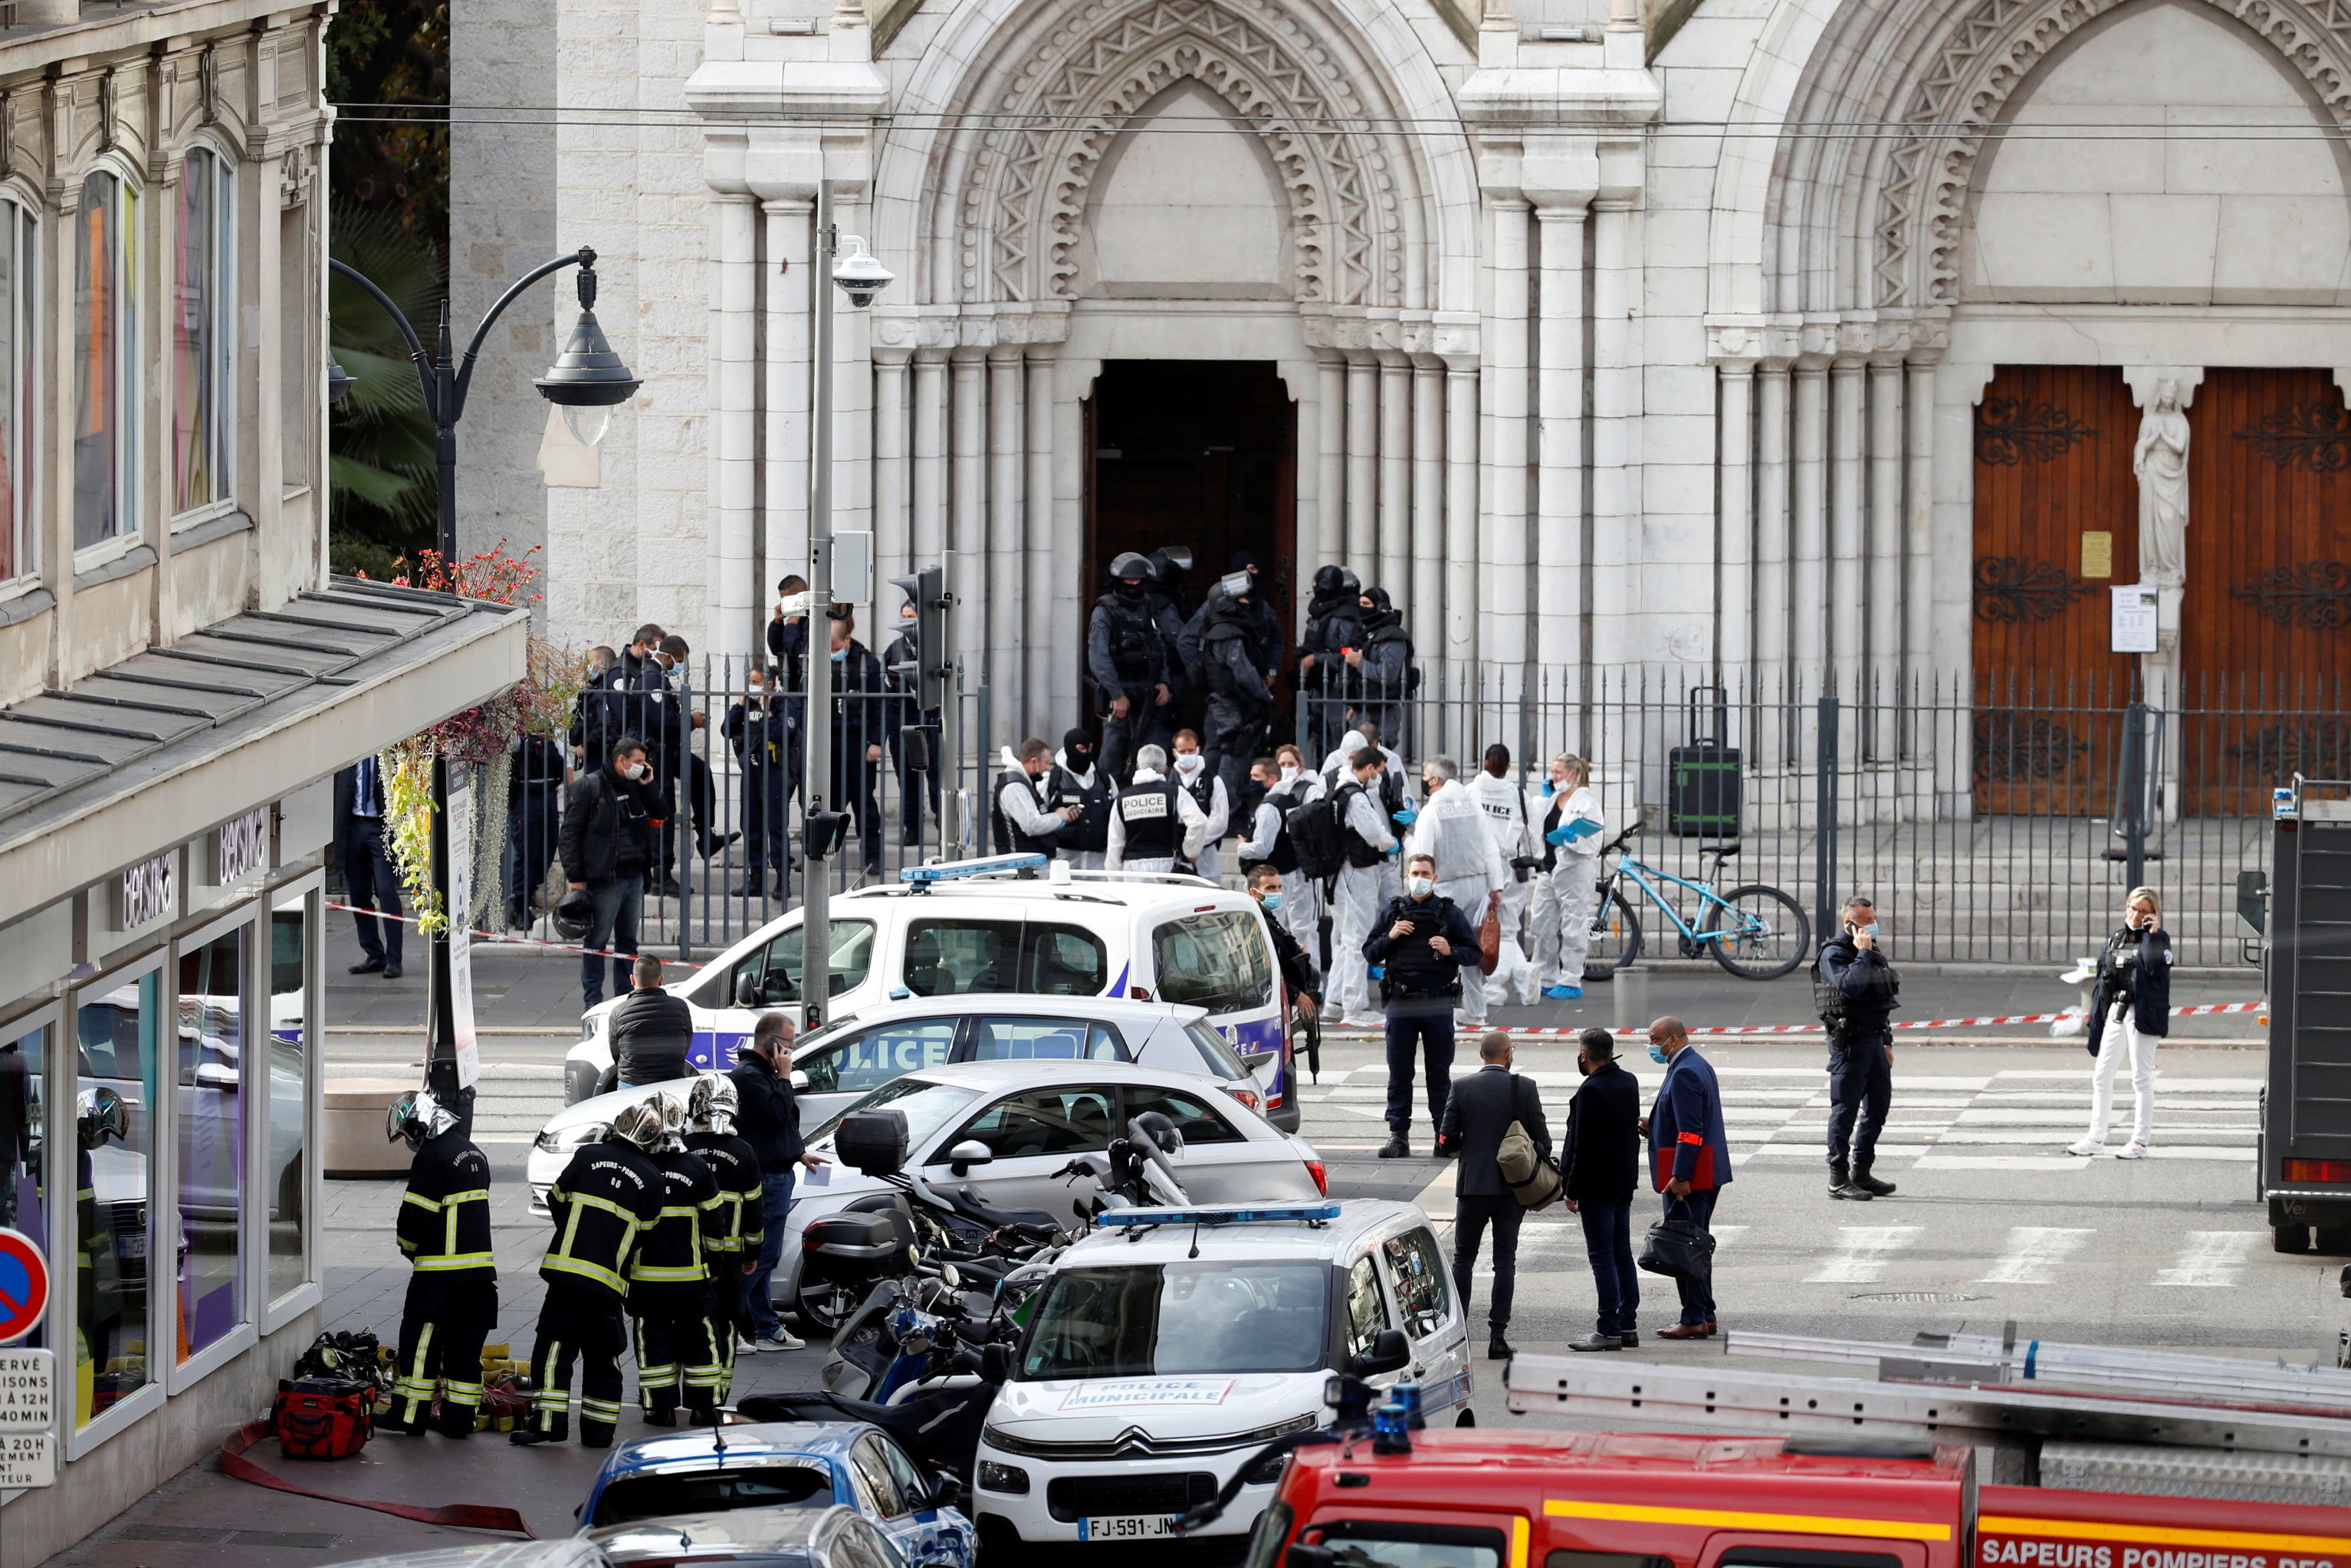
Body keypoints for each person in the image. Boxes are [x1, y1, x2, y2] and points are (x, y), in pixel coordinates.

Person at [514, 1097, 665, 1446]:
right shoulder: (652, 1179)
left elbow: (556, 1198)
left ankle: (547, 1425)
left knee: (554, 1350)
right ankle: (598, 1433)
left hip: (566, 1276)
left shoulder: (587, 1157)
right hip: (608, 1286)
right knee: (604, 1358)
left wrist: (576, 1234)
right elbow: (647, 1234)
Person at [386, 1088, 495, 1437]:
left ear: (418, 1128)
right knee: (464, 1353)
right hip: (479, 1279)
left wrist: (408, 1247)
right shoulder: (473, 1153)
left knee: (420, 1350)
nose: (409, 1143)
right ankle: (459, 1423)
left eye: (407, 1135)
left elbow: (414, 1219)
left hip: (438, 1280)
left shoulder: (432, 1157)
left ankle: (409, 1418)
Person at [1437, 1031, 1548, 1359]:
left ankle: (1458, 1335)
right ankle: (1498, 1336)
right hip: (1511, 1189)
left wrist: (1469, 1147)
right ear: (1509, 1054)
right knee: (1505, 1262)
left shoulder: (1462, 1087)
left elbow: (1445, 1140)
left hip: (1472, 1187)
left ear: (1481, 1054)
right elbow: (1543, 1141)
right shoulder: (1524, 1087)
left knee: (1463, 1260)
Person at [1364, 851, 1481, 1159]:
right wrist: (1390, 936)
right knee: (1399, 1071)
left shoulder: (1449, 913)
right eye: (1415, 873)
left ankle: (1443, 1137)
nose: (1419, 878)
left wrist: (1450, 950)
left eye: (1425, 873)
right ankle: (1398, 1136)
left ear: (1435, 878)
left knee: (1438, 1073)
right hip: (1401, 1003)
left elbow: (1474, 953)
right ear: (1406, 876)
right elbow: (1370, 953)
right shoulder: (1393, 912)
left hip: (1437, 1002)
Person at [731, 1012, 828, 1351]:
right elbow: (773, 1117)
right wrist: (785, 1077)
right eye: (789, 1042)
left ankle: (766, 1327)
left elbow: (779, 1124)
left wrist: (797, 1152)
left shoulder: (764, 1074)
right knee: (762, 1256)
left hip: (778, 1171)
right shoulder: (749, 1076)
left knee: (765, 1256)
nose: (794, 1048)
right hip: (767, 1179)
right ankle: (726, 1325)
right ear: (772, 1043)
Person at [627, 1098, 726, 1426]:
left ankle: (661, 1409)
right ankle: (703, 1408)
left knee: (652, 1341)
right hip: (692, 1278)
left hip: (645, 1279)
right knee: (700, 1339)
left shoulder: (638, 1167)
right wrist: (715, 1265)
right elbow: (714, 1223)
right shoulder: (696, 1167)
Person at [1640, 1016, 1731, 1340]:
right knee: (1696, 1242)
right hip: (1705, 1171)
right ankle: (1705, 1313)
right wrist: (1655, 1125)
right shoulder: (1695, 1064)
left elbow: (1691, 1132)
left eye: (1655, 1039)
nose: (1652, 1045)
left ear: (1674, 1039)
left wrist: (1680, 1175)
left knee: (1684, 1245)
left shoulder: (1685, 1071)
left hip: (1690, 1176)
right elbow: (1690, 1118)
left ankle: (1693, 1317)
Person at [2069, 887, 2173, 1160]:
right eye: (2133, 908)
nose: (2136, 915)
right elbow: (2104, 980)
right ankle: (2095, 1138)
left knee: (2141, 1078)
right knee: (2102, 1075)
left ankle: (2139, 1142)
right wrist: (2096, 1018)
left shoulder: (2159, 940)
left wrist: (2152, 934)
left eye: (2143, 911)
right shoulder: (2116, 939)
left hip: (2143, 1013)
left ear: (2153, 914)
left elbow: (2152, 966)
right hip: (2118, 1008)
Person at [1407, 756, 1509, 1026]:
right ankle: (1476, 1010)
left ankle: (1443, 1010)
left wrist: (1419, 886)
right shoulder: (1472, 805)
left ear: (1436, 779)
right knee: (1471, 948)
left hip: (1447, 886)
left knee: (1440, 948)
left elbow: (1423, 854)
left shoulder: (1431, 811)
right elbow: (1490, 847)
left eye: (1427, 774)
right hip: (1478, 883)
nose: (1425, 780)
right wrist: (1496, 886)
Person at [560, 737, 661, 1009]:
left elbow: (661, 813)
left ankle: (624, 1000)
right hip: (605, 877)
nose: (642, 767)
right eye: (638, 762)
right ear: (621, 760)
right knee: (597, 940)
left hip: (635, 875)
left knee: (628, 942)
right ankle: (593, 1003)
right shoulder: (589, 787)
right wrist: (575, 877)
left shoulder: (636, 786)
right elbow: (569, 834)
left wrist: (649, 784)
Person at [683, 1074, 763, 1403]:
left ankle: (679, 1396)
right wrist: (752, 1251)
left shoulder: (684, 1149)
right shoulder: (744, 1152)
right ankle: (716, 1395)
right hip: (729, 1260)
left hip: (686, 1256)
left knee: (688, 1325)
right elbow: (755, 1210)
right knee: (726, 1325)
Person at [1562, 1027, 1642, 1352]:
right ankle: (1628, 1324)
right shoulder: (1629, 1081)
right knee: (1621, 1252)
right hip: (1623, 1181)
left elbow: (1584, 1146)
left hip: (1597, 1185)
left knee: (1602, 1257)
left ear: (1584, 1055)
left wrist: (1572, 1188)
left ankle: (1608, 1327)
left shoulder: (1591, 1090)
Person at [1817, 895, 1901, 1199]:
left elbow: (1881, 998)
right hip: (1849, 1042)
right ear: (1848, 922)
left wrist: (1887, 1040)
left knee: (1878, 1106)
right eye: (1866, 921)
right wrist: (1863, 953)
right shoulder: (1834, 954)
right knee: (1845, 1109)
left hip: (1874, 1039)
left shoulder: (1870, 950)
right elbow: (1850, 986)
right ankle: (1837, 1178)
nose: (1872, 926)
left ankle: (1861, 1171)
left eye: (1873, 919)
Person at [1328, 747, 1400, 1028]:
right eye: (1379, 770)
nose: (1380, 776)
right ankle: (1355, 1006)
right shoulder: (1355, 796)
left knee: (1348, 939)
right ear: (1369, 767)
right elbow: (1373, 833)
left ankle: (1335, 1001)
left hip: (1347, 871)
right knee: (1359, 938)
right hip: (1357, 871)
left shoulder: (1341, 789)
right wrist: (1389, 842)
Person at [1089, 553, 1174, 782]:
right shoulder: (1104, 611)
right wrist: (1117, 695)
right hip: (1120, 695)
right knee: (1113, 752)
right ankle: (1107, 803)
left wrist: (1164, 682)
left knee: (1154, 753)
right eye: (1130, 582)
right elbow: (1099, 658)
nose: (1135, 586)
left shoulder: (1148, 607)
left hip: (1148, 692)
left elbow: (1159, 646)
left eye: (1139, 582)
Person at [1469, 745, 1541, 1006]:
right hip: (1511, 869)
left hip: (1479, 870)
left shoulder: (1471, 792)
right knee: (1508, 930)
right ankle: (1522, 970)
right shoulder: (1519, 796)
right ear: (1508, 767)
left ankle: (1495, 987)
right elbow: (1533, 834)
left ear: (1485, 761)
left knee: (1483, 928)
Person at [1528, 754, 1605, 999]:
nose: (1554, 777)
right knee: (1542, 924)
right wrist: (1541, 799)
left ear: (1573, 774)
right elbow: (1535, 827)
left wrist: (1572, 838)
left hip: (1574, 871)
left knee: (1573, 925)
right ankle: (1547, 976)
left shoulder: (1586, 802)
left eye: (1558, 773)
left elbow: (1594, 842)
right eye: (1552, 772)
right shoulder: (1550, 800)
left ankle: (1571, 979)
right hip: (1549, 870)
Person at [823, 606, 891, 877]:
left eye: (835, 647)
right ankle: (828, 851)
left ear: (847, 640)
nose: (831, 653)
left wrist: (876, 742)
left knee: (864, 801)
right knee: (832, 803)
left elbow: (881, 707)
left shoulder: (866, 663)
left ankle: (872, 856)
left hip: (857, 741)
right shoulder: (818, 659)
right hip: (830, 741)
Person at [1197, 576, 1273, 806]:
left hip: (1220, 702)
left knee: (1216, 753)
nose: (1246, 602)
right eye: (1240, 598)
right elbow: (1244, 672)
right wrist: (1264, 694)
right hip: (1231, 705)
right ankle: (1228, 808)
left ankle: (1208, 801)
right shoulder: (1228, 634)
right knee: (1234, 754)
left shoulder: (1215, 627)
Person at [722, 663, 790, 899]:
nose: (753, 686)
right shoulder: (745, 705)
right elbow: (726, 730)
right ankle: (756, 877)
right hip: (750, 770)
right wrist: (740, 704)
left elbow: (782, 733)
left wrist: (768, 709)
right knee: (750, 824)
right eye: (750, 681)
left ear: (770, 683)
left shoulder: (781, 703)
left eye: (757, 682)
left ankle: (783, 878)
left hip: (773, 769)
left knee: (775, 825)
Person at [336, 756, 404, 979]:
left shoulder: (390, 752)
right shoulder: (350, 751)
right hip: (353, 826)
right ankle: (374, 954)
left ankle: (395, 959)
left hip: (381, 828)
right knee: (358, 893)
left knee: (386, 890)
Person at [882, 591, 940, 847]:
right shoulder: (894, 649)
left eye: (911, 617)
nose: (907, 622)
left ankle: (943, 824)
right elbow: (885, 688)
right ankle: (912, 827)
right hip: (902, 718)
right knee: (907, 777)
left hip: (932, 717)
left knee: (937, 776)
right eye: (904, 618)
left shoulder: (936, 646)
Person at [1105, 743, 1211, 874]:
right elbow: (1199, 823)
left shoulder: (1122, 798)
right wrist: (1190, 852)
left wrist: (1116, 878)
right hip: (1168, 867)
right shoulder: (1176, 793)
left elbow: (1115, 843)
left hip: (1133, 871)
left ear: (1138, 767)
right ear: (1165, 768)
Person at [1296, 564, 1365, 756]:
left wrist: (1317, 658)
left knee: (1338, 732)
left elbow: (1346, 651)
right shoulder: (1321, 610)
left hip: (1337, 683)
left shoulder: (1345, 616)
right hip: (1319, 682)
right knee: (1318, 729)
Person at [600, 955, 694, 1093]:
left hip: (632, 1084)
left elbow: (616, 1053)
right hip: (671, 1082)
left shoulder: (618, 1011)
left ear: (632, 979)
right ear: (661, 979)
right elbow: (686, 1044)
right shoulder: (680, 1007)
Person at [507, 730, 568, 929]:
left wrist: (573, 792)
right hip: (525, 796)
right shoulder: (517, 723)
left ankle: (528, 893)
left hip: (548, 793)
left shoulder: (553, 724)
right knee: (525, 854)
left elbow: (563, 756)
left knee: (548, 849)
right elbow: (509, 749)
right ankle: (520, 906)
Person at [1248, 861, 1322, 1025]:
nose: (1277, 892)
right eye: (1270, 888)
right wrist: (1294, 994)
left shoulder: (1268, 918)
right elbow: (1261, 972)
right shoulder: (1255, 924)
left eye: (1279, 887)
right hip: (1268, 1010)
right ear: (1254, 892)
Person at [767, 576, 811, 818]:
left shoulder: (813, 620)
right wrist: (778, 622)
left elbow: (798, 653)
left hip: (805, 693)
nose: (786, 604)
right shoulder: (790, 622)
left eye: (789, 599)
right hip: (791, 691)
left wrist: (794, 623)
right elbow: (777, 649)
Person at [1351, 586, 1414, 749]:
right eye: (1360, 604)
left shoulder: (1392, 638)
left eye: (1366, 604)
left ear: (1381, 608)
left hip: (1383, 713)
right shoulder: (1369, 633)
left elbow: (1388, 674)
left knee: (1379, 760)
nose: (1361, 608)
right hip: (1364, 709)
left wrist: (1359, 663)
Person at [995, 737, 1079, 857]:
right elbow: (1032, 825)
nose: (1047, 768)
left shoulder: (1025, 783)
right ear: (1034, 762)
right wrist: (1059, 817)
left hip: (1029, 863)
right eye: (1045, 762)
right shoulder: (1015, 786)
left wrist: (1062, 818)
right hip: (1019, 866)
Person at [1169, 730, 1230, 882]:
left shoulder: (1213, 780)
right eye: (1183, 751)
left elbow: (1220, 819)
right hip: (1174, 853)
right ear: (1175, 752)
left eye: (1191, 750)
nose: (1187, 754)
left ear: (1198, 750)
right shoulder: (1167, 780)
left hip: (1206, 852)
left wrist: (1193, 845)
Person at [1048, 728, 1112, 870]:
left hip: (1099, 858)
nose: (1087, 753)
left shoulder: (1104, 779)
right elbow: (1039, 817)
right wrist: (1058, 817)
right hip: (1064, 856)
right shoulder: (1052, 780)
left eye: (1090, 748)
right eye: (1082, 749)